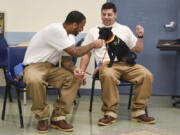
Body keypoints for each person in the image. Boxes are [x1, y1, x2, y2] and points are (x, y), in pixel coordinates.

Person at [23, 10, 103, 133]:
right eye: (81, 26)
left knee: (75, 78)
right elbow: (76, 52)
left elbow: (67, 61)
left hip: (50, 67)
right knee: (35, 80)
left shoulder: (70, 37)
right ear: (74, 24)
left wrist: (75, 69)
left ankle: (58, 117)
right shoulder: (55, 30)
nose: (81, 30)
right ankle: (42, 117)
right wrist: (93, 44)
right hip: (33, 66)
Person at [80, 2, 155, 126]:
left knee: (146, 75)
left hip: (126, 63)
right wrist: (82, 70)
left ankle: (139, 112)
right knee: (108, 75)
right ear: (101, 15)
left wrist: (140, 36)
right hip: (107, 64)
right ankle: (110, 113)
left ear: (115, 15)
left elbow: (138, 49)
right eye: (104, 14)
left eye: (109, 14)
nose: (106, 17)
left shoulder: (124, 29)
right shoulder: (94, 31)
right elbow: (86, 53)